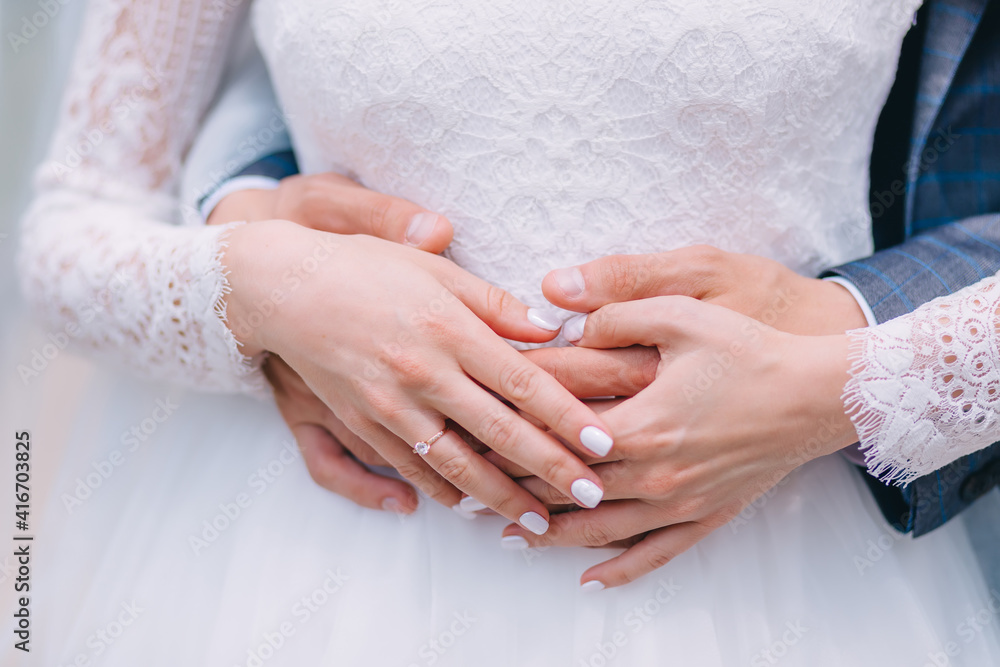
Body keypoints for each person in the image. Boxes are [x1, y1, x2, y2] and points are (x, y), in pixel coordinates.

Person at [13, 1, 1000, 665]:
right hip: (314, 563)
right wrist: (263, 288)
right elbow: (78, 216)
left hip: (785, 570)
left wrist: (844, 379)